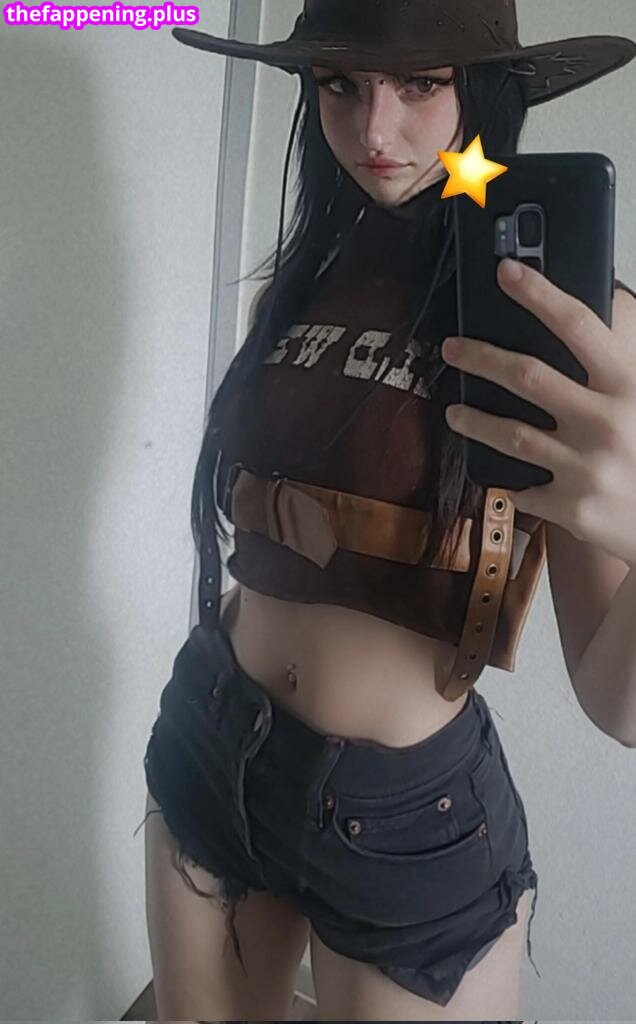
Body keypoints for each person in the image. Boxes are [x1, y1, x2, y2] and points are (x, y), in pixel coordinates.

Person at [136, 0, 636, 1018]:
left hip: (404, 818)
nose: (374, 128)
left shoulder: (572, 324)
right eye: (340, 83)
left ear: (481, 90)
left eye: (420, 84)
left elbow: (615, 703)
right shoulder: (304, 274)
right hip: (213, 730)